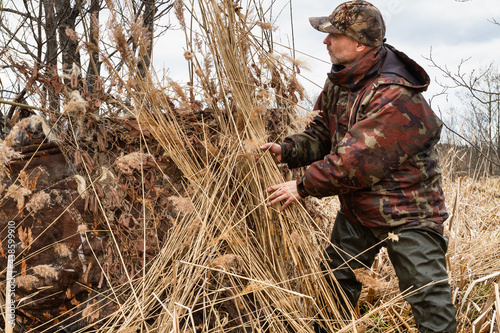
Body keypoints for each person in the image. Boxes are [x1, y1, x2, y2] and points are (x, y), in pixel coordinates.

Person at [260, 1, 457, 332]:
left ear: (360, 44)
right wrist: (289, 150)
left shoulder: (396, 94)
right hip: (359, 210)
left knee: (428, 299)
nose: (325, 41)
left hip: (408, 213)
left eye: (333, 35)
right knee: (332, 290)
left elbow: (356, 161)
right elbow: (322, 134)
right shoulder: (341, 81)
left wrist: (302, 186)